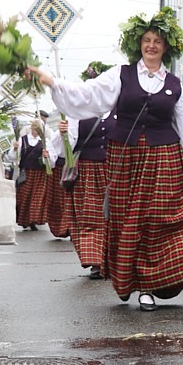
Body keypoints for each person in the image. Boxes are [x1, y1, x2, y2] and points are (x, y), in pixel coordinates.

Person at [29, 7, 183, 311]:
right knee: (124, 219)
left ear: (166, 46)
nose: (152, 45)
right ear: (139, 44)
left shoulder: (174, 85)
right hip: (125, 159)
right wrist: (52, 82)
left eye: (158, 41)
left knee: (155, 220)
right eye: (147, 40)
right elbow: (88, 96)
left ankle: (148, 285)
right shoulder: (121, 75)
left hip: (162, 158)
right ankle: (127, 278)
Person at [64, 62, 117, 279]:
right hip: (88, 171)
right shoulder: (77, 113)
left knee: (115, 217)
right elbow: (67, 147)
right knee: (91, 216)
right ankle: (95, 261)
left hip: (115, 170)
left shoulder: (120, 110)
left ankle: (113, 260)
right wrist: (64, 134)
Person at [12, 119, 55, 231]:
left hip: (40, 174)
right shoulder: (22, 140)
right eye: (34, 128)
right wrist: (15, 149)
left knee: (37, 197)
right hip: (26, 173)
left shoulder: (45, 142)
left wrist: (47, 156)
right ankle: (24, 220)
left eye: (38, 129)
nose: (36, 131)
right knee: (24, 197)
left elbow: (52, 161)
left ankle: (33, 219)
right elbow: (12, 157)